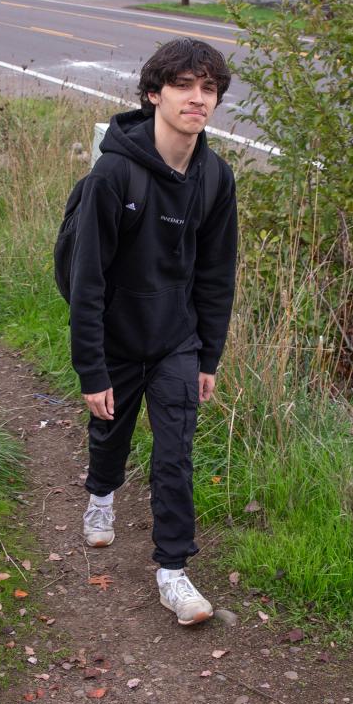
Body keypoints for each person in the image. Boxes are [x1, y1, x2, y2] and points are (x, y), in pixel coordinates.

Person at [68, 37, 238, 626]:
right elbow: (88, 280)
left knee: (176, 455)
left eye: (209, 88)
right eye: (185, 86)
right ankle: (100, 496)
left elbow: (217, 276)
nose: (198, 99)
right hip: (116, 337)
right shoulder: (113, 173)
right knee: (109, 435)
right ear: (154, 94)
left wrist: (207, 356)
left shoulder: (216, 177)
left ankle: (173, 572)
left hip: (176, 342)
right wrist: (92, 367)